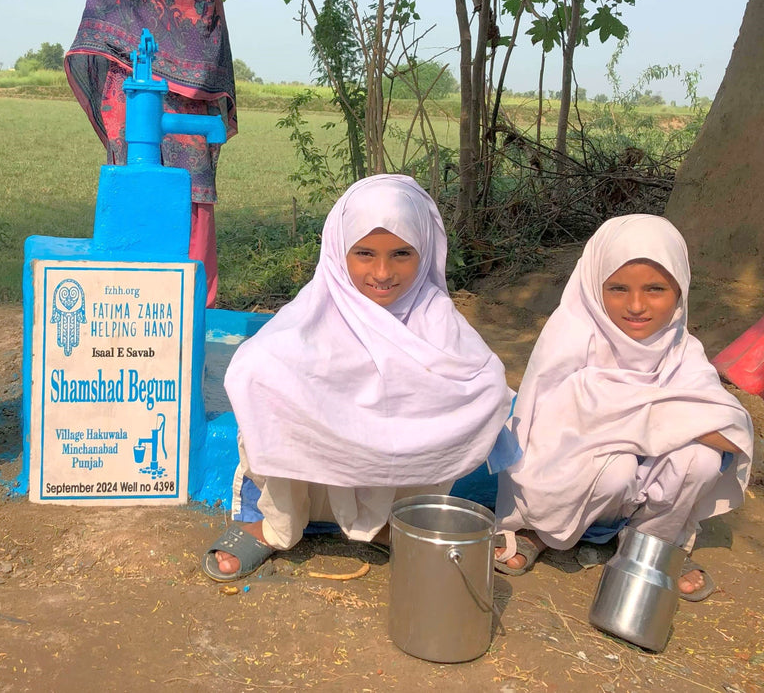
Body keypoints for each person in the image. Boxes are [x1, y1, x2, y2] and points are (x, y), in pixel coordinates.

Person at [202, 174, 513, 581]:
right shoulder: (317, 310)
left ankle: (390, 520)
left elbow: (484, 379)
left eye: (402, 253)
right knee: (263, 383)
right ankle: (280, 523)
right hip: (314, 480)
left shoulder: (433, 316)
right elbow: (257, 365)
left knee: (471, 404)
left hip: (397, 473)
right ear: (337, 250)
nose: (382, 273)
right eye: (364, 253)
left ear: (426, 251)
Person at [494, 215, 753, 601]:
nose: (635, 306)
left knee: (699, 460)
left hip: (640, 485)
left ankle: (652, 542)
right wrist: (667, 420)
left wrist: (635, 419)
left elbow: (732, 432)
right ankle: (541, 529)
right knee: (614, 468)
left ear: (680, 290)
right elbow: (550, 424)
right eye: (617, 288)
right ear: (594, 285)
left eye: (655, 289)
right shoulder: (572, 337)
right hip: (578, 472)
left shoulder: (681, 350)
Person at [65, 0, 236, 307]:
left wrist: (195, 77)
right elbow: (105, 17)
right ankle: (132, 311)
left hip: (189, 95)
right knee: (137, 191)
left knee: (193, 201)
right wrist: (141, 65)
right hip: (132, 87)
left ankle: (193, 315)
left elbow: (208, 24)